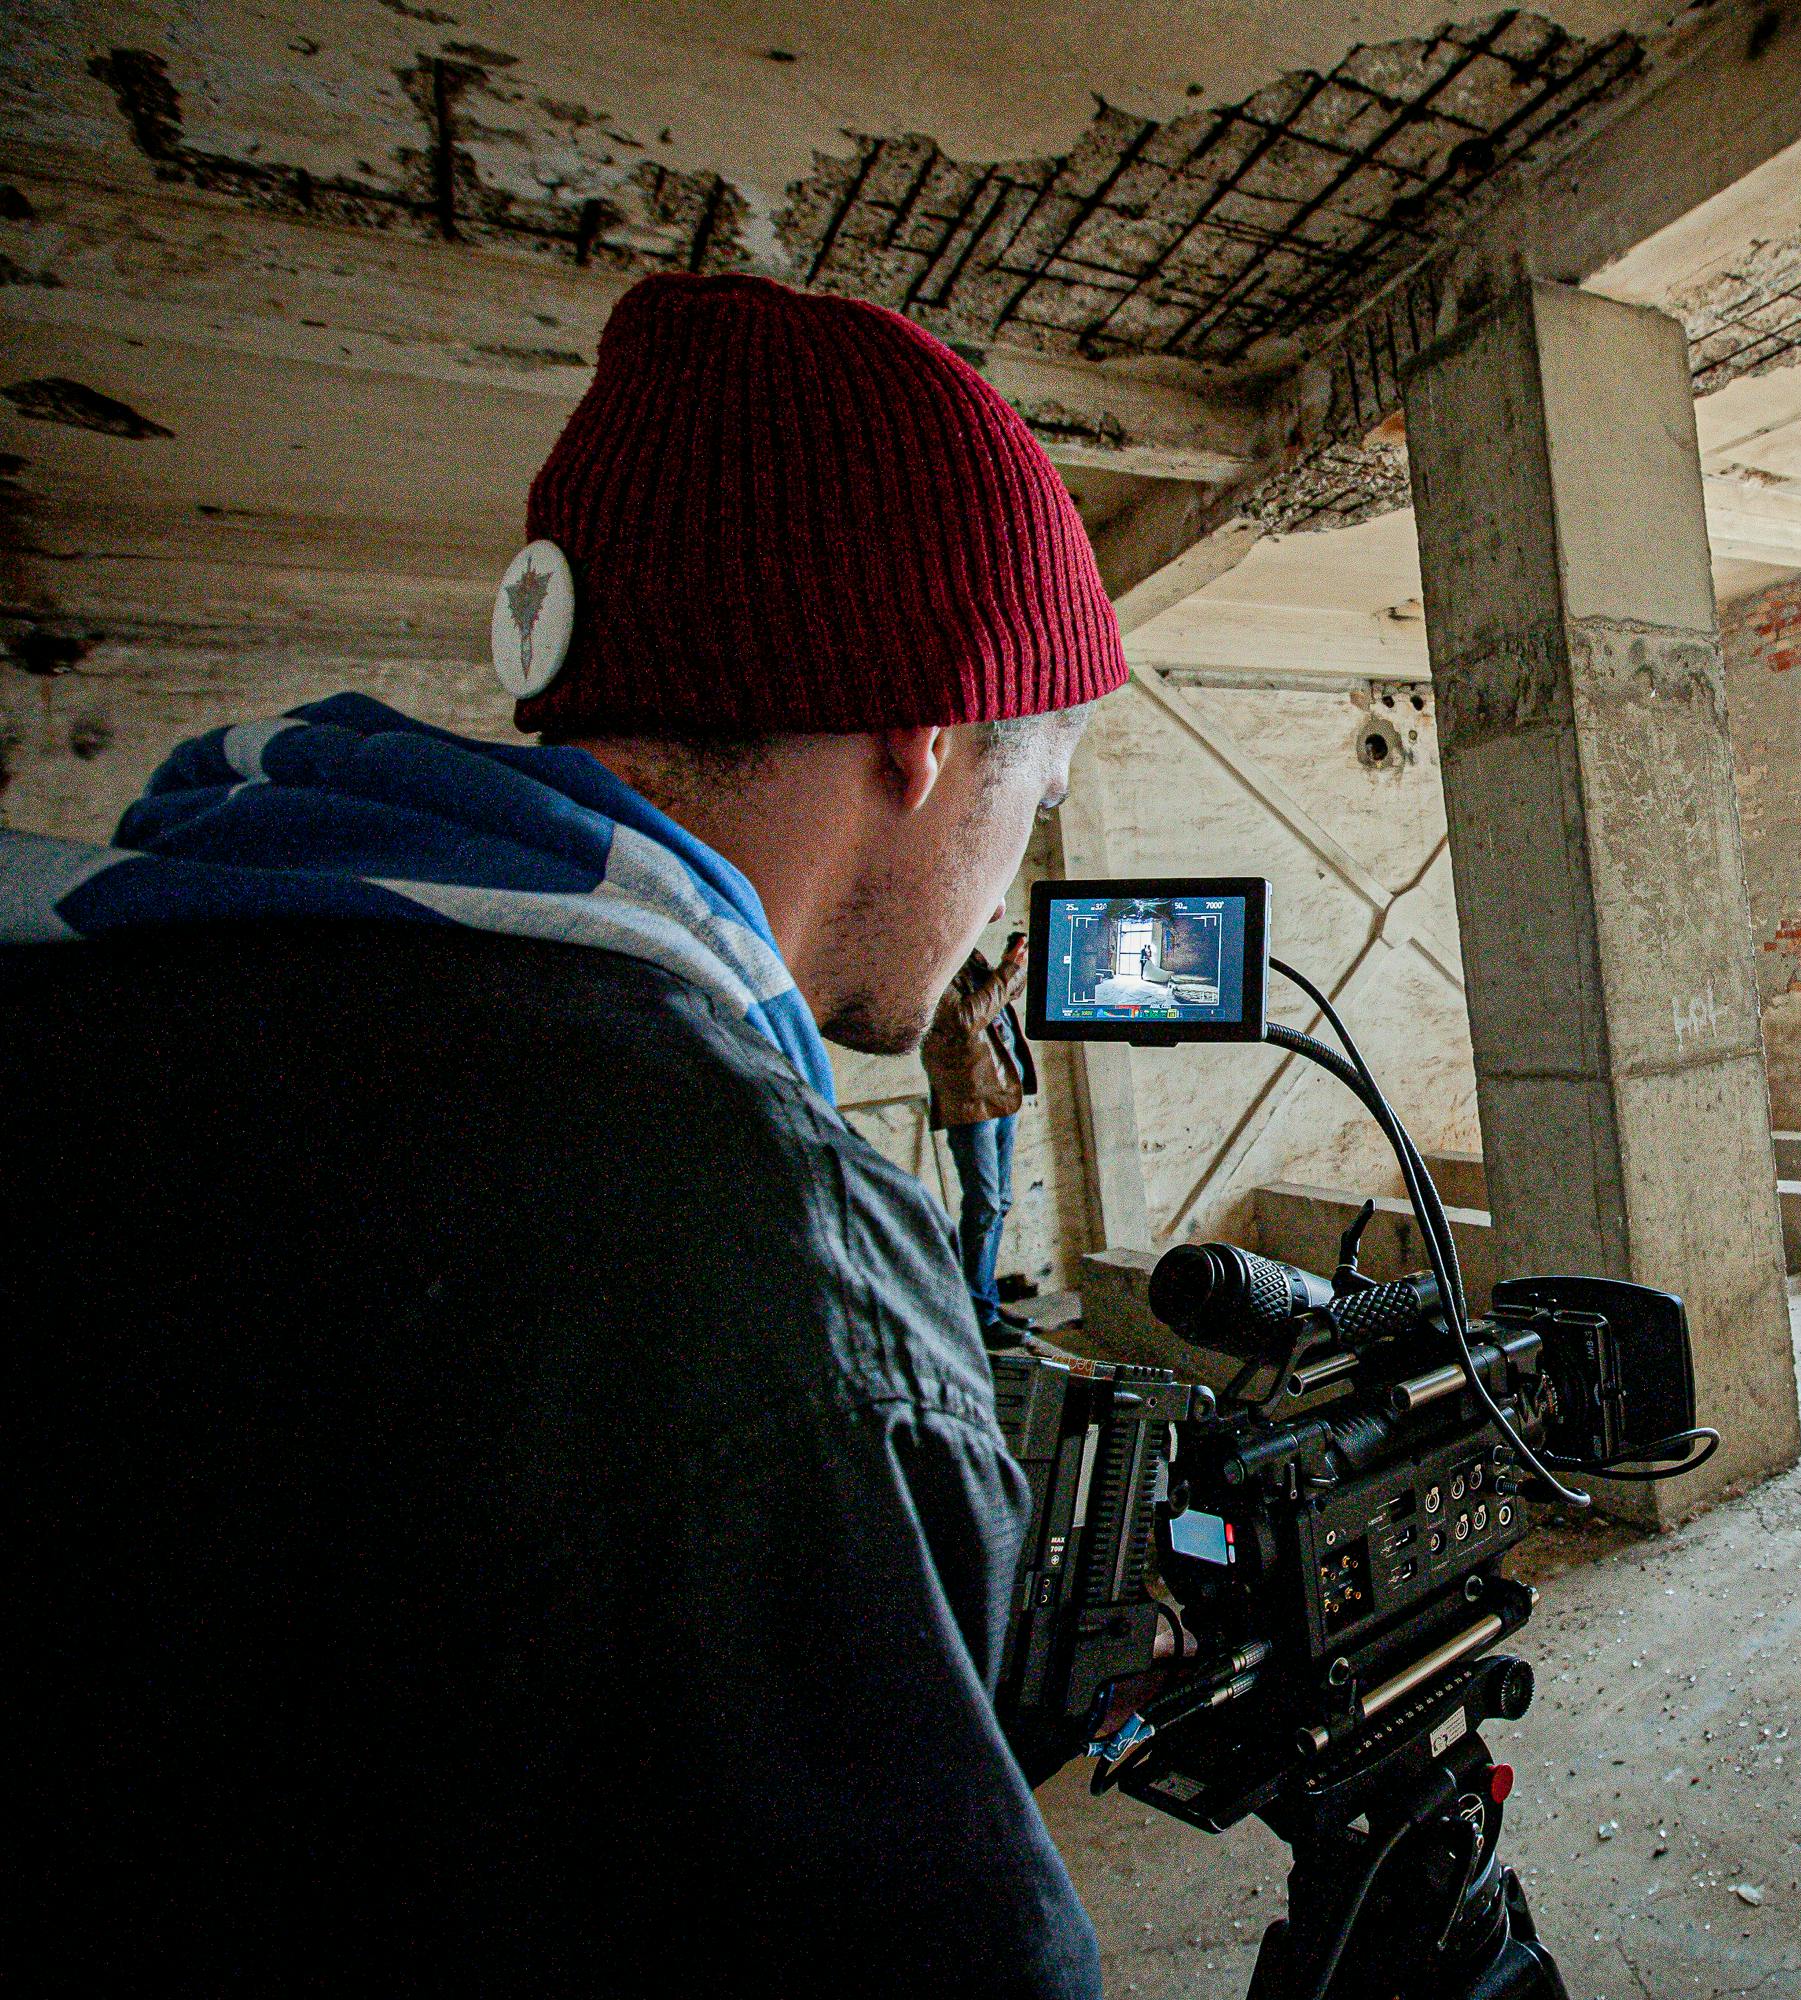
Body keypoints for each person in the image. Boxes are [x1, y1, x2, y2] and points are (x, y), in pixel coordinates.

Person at [0, 274, 1124, 1990]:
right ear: (928, 734)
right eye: (1028, 801)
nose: (997, 893)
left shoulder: (121, 967)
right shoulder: (763, 1258)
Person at [925, 926, 1038, 1330]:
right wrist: (1008, 969)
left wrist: (1015, 964)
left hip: (1003, 1089)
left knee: (998, 1203)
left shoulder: (965, 950)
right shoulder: (930, 960)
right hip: (971, 1099)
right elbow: (964, 1019)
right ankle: (977, 1315)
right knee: (984, 1205)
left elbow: (1004, 997)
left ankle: (983, 1300)